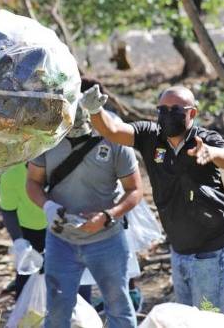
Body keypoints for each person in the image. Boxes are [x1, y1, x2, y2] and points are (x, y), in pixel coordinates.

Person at [81, 84, 224, 315]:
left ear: (192, 113)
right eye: (162, 109)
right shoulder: (150, 136)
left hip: (212, 253)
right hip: (179, 250)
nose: (167, 115)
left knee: (210, 320)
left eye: (175, 110)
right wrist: (95, 110)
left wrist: (212, 153)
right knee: (186, 320)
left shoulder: (204, 139)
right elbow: (113, 130)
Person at [26, 99, 143, 328]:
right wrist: (48, 207)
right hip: (61, 240)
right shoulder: (47, 138)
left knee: (118, 306)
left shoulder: (113, 138)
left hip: (107, 240)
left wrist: (109, 215)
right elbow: (33, 182)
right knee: (58, 310)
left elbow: (135, 190)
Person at [0, 163, 91, 302]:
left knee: (76, 272)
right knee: (27, 276)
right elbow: (8, 210)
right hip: (31, 230)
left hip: (65, 225)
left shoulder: (64, 165)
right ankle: (26, 316)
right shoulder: (12, 174)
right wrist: (18, 240)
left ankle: (83, 313)